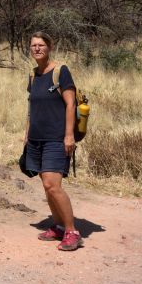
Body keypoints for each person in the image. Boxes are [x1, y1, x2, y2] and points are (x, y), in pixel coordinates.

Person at [24, 31, 83, 251]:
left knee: (53, 185)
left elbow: (71, 105)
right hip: (37, 138)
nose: (37, 49)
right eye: (33, 46)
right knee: (46, 187)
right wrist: (27, 134)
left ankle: (72, 231)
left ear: (49, 47)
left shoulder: (61, 72)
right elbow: (32, 108)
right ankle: (58, 226)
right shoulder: (33, 75)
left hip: (56, 139)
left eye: (40, 45)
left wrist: (69, 135)